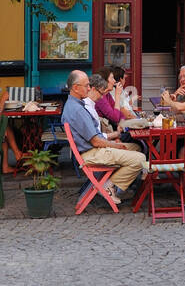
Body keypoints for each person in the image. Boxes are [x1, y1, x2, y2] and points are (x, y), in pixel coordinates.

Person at [62, 70, 147, 201]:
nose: (89, 88)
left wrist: (115, 142)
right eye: (86, 86)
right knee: (140, 158)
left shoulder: (73, 105)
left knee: (136, 148)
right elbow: (96, 141)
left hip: (91, 150)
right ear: (75, 88)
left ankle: (114, 184)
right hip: (92, 153)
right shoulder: (78, 110)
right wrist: (115, 146)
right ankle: (109, 186)